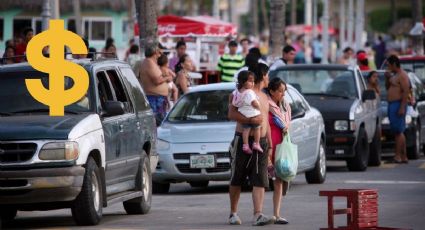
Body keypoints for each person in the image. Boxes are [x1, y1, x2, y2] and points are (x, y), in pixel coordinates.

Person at [228, 62, 274, 226]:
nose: (269, 78)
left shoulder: (264, 96)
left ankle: (258, 214)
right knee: (237, 177)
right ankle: (233, 213)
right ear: (262, 75)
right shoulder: (241, 94)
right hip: (243, 139)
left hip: (260, 142)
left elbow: (266, 120)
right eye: (267, 74)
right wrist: (249, 120)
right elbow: (231, 114)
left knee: (260, 178)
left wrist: (270, 142)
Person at [266, 77, 291, 225]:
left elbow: (288, 124)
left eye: (284, 91)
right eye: (280, 91)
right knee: (262, 181)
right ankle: (259, 213)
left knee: (279, 181)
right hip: (268, 146)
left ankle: (276, 214)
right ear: (272, 91)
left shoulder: (285, 106)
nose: (283, 94)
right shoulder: (266, 105)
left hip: (282, 147)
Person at [139, 45, 173, 126]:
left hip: (158, 98)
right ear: (155, 53)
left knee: (160, 123)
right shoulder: (149, 63)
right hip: (155, 99)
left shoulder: (150, 63)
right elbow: (157, 81)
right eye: (159, 52)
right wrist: (167, 78)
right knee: (159, 124)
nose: (160, 55)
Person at [385, 55, 410, 163]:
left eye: (389, 65)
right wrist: (387, 78)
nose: (388, 67)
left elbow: (406, 91)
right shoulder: (394, 75)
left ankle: (398, 155)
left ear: (394, 64)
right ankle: (404, 156)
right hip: (392, 104)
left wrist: (402, 107)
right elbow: (387, 87)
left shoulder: (402, 75)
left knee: (398, 131)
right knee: (398, 131)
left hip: (398, 104)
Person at [232, 71, 263, 154]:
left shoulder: (237, 91)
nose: (252, 84)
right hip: (253, 114)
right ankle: (256, 143)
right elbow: (254, 103)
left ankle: (245, 145)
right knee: (257, 128)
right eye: (250, 81)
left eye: (253, 81)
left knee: (246, 130)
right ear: (243, 81)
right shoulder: (249, 92)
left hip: (244, 114)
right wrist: (259, 108)